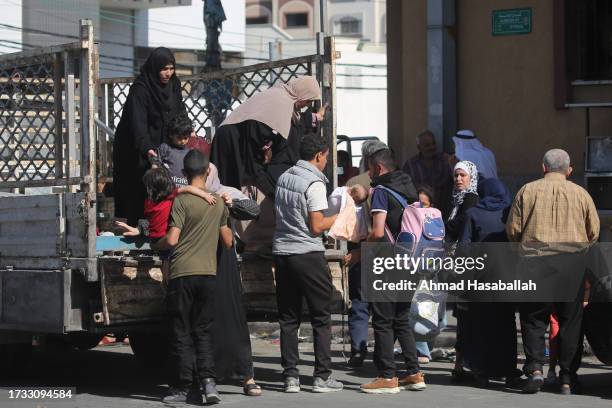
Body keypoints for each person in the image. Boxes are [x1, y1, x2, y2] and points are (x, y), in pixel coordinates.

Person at [506, 149, 600, 395]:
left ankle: (535, 369)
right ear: (569, 170)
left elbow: (513, 230)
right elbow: (594, 232)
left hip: (535, 262)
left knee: (533, 318)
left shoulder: (527, 191)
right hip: (572, 264)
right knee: (571, 322)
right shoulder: (581, 194)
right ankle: (567, 378)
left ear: (543, 167)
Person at [154, 150, 233, 404]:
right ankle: (209, 385)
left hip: (182, 274)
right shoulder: (218, 202)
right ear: (208, 172)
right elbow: (228, 242)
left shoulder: (182, 201)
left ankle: (182, 388)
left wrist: (158, 244)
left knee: (181, 332)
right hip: (208, 273)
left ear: (184, 174)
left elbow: (172, 239)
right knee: (203, 331)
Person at [273, 134, 343, 394]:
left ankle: (290, 377)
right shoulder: (313, 182)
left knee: (288, 317)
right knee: (321, 317)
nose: (326, 161)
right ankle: (321, 376)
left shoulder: (284, 177)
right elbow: (316, 226)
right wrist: (339, 216)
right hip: (307, 254)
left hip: (282, 252)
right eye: (326, 156)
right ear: (319, 156)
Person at [360, 148, 425, 394]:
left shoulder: (380, 191)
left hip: (388, 263)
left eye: (369, 168)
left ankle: (387, 376)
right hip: (412, 263)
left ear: (378, 168)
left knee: (383, 320)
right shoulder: (409, 188)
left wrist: (361, 248)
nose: (368, 173)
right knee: (401, 319)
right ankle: (414, 373)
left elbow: (378, 232)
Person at [211, 76, 327, 198]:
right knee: (227, 185)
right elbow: (257, 130)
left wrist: (314, 117)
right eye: (307, 101)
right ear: (302, 94)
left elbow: (291, 122)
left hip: (238, 137)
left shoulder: (284, 95)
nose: (307, 105)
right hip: (231, 140)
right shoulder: (282, 102)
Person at [113, 47, 187, 226]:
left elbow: (179, 110)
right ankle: (136, 232)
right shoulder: (140, 89)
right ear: (154, 68)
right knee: (139, 189)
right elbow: (138, 123)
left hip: (163, 145)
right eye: (163, 69)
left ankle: (162, 229)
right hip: (137, 148)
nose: (168, 73)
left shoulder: (174, 85)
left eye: (171, 68)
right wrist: (148, 149)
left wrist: (186, 129)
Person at [458, 177, 520, 387]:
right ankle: (508, 369)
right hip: (506, 275)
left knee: (481, 325)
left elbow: (464, 249)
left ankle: (482, 370)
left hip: (480, 277)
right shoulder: (510, 211)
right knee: (506, 324)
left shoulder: (473, 213)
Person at [114, 168, 216, 284]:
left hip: (157, 240)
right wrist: (204, 195)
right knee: (167, 265)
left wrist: (139, 229)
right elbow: (188, 188)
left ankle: (166, 283)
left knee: (165, 266)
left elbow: (150, 222)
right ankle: (167, 284)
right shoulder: (169, 196)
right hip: (166, 239)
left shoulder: (149, 202)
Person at [343, 140, 389, 368]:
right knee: (383, 308)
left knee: (359, 305)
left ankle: (358, 351)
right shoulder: (393, 183)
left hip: (361, 248)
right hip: (386, 251)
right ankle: (383, 353)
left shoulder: (353, 183)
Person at [446, 161, 479, 381]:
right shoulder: (457, 200)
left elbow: (459, 226)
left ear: (471, 178)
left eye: (462, 176)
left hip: (466, 266)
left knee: (467, 316)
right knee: (461, 314)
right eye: (456, 175)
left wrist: (443, 226)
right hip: (456, 265)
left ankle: (466, 364)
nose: (458, 179)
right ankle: (460, 364)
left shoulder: (471, 200)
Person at [403, 130, 453, 218]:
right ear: (419, 147)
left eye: (433, 144)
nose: (431, 147)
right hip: (420, 215)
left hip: (443, 214)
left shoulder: (445, 161)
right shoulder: (411, 164)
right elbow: (406, 189)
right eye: (427, 145)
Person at [152, 114, 194, 187]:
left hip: (184, 188)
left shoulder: (189, 152)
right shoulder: (165, 147)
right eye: (179, 138)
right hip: (168, 187)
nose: (183, 141)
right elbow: (155, 162)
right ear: (171, 134)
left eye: (186, 138)